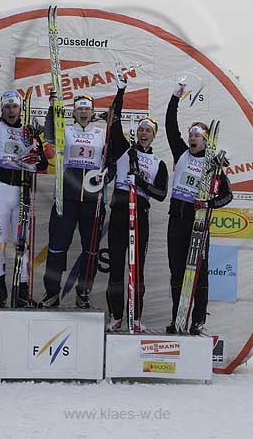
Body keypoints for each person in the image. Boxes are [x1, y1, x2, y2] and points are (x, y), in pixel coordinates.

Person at [39, 81, 118, 309]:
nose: (83, 112)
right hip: (67, 198)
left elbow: (111, 163)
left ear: (93, 113)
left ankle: (83, 293)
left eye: (87, 109)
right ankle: (51, 293)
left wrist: (107, 176)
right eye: (80, 108)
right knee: (57, 246)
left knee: (90, 249)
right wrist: (53, 106)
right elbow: (50, 134)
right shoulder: (66, 131)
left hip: (92, 201)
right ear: (73, 112)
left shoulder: (101, 134)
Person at [164, 84, 232, 335]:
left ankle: (198, 320)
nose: (192, 138)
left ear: (206, 141)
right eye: (191, 134)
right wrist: (175, 97)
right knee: (177, 271)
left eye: (197, 136)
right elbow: (170, 125)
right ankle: (177, 318)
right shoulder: (181, 152)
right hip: (177, 218)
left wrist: (208, 204)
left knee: (199, 272)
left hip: (199, 221)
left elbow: (228, 195)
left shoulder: (213, 164)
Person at [104, 85, 168, 332]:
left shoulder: (157, 163)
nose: (144, 133)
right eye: (141, 129)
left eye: (148, 131)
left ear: (154, 136)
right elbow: (114, 118)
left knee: (137, 269)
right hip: (120, 213)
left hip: (140, 216)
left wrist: (140, 182)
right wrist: (120, 91)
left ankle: (136, 317)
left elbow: (161, 194)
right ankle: (116, 316)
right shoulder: (123, 150)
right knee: (117, 268)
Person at [0, 60, 46, 307]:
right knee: (0, 240)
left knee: (23, 245)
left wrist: (37, 142)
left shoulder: (27, 132)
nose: (11, 110)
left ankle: (21, 292)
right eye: (7, 106)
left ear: (21, 109)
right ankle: (1, 289)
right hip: (1, 189)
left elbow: (41, 166)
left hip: (22, 193)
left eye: (15, 106)